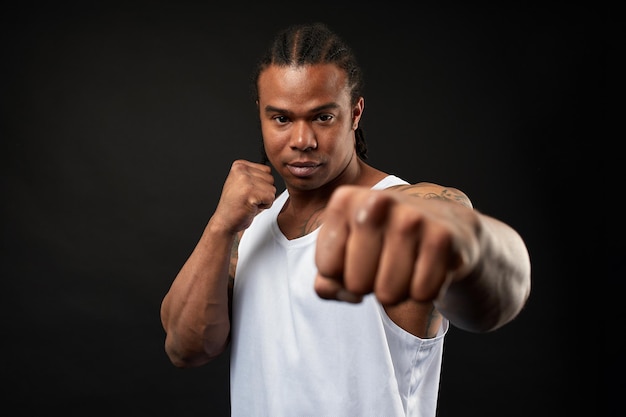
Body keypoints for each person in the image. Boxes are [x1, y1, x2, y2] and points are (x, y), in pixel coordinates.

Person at [160, 22, 531, 417]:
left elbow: (498, 291)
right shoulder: (247, 227)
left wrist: (468, 243)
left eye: (322, 117)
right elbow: (186, 347)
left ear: (354, 113)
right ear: (261, 116)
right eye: (282, 119)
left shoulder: (402, 208)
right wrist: (221, 225)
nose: (302, 140)